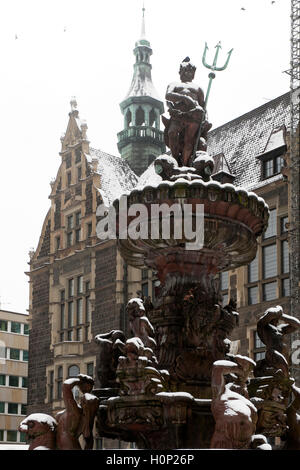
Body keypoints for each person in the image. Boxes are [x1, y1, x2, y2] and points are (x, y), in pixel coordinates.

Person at [163, 57, 211, 166]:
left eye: (189, 71)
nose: (186, 73)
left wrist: (206, 119)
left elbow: (203, 106)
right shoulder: (174, 84)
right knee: (172, 133)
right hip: (178, 115)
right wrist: (185, 98)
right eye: (184, 71)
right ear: (180, 72)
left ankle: (184, 166)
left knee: (189, 142)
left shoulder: (198, 88)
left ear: (193, 73)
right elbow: (168, 95)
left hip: (193, 116)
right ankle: (175, 160)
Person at [55, 374, 99, 450]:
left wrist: (79, 381)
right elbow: (89, 441)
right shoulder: (82, 417)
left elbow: (66, 386)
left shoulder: (74, 411)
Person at [256, 306, 300, 377]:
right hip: (272, 354)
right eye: (276, 319)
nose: (277, 321)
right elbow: (270, 314)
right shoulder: (263, 327)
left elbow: (297, 324)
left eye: (277, 319)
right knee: (284, 371)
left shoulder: (280, 329)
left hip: (284, 355)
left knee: (284, 372)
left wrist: (282, 316)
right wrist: (278, 310)